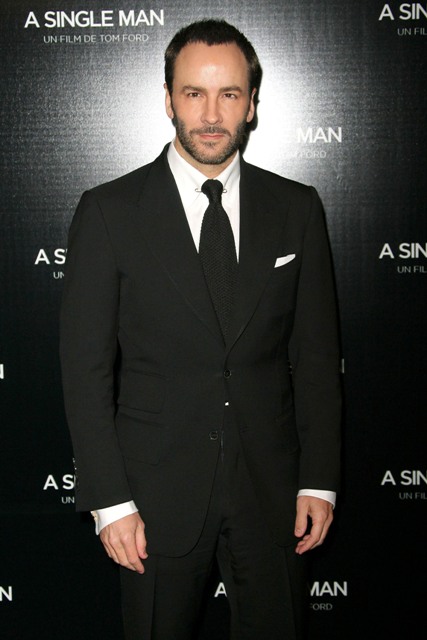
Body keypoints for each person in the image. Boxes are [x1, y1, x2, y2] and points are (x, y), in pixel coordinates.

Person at [60, 19, 341, 640]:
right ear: (168, 99)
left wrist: (319, 480)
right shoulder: (109, 212)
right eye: (194, 93)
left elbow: (318, 359)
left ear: (252, 104)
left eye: (229, 94)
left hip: (273, 492)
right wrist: (110, 500)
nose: (211, 115)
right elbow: (85, 371)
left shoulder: (297, 208)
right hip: (152, 497)